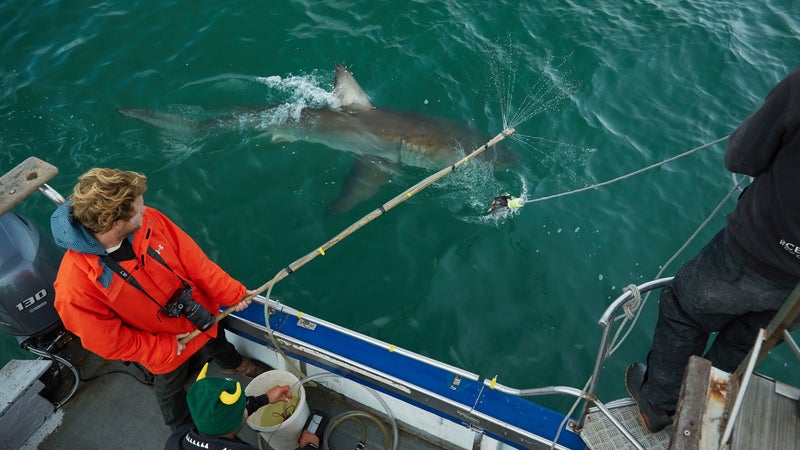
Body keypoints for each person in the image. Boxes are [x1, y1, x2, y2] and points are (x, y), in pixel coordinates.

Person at [626, 67, 800, 433]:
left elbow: (742, 158)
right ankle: (703, 404)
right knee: (750, 337)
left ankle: (658, 407)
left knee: (683, 309)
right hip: (796, 292)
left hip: (753, 252)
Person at [51, 168, 270, 431]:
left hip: (200, 314)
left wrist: (232, 294)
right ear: (116, 221)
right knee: (168, 388)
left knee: (217, 339)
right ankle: (180, 427)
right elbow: (106, 340)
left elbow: (195, 261)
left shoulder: (151, 220)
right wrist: (161, 349)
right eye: (138, 207)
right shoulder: (74, 286)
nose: (146, 208)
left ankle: (233, 364)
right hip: (163, 347)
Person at [164, 363, 321, 450]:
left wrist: (265, 398)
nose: (247, 407)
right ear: (236, 421)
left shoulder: (179, 437)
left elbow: (236, 412)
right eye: (243, 408)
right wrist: (311, 446)